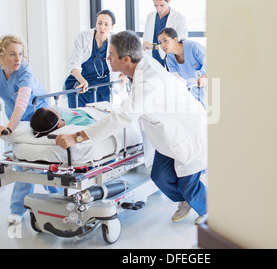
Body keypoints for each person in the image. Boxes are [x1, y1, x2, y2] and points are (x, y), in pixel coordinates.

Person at [55, 30, 208, 225]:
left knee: (189, 185)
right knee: (160, 177)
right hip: (168, 135)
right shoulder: (140, 65)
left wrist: (77, 137)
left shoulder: (149, 84)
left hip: (187, 133)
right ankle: (187, 200)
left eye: (110, 54)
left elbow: (121, 117)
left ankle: (208, 209)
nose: (107, 58)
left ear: (126, 58)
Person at [0, 35, 63, 223]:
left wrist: (9, 128)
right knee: (23, 163)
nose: (18, 59)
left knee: (44, 158)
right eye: (12, 54)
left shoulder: (24, 70)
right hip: (15, 115)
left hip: (38, 113)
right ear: (1, 56)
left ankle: (58, 199)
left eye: (21, 54)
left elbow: (22, 102)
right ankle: (17, 210)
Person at [64, 10, 127, 108]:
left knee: (102, 118)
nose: (102, 27)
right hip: (80, 85)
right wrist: (82, 80)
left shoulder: (116, 41)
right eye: (99, 23)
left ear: (112, 26)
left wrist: (123, 75)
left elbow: (124, 62)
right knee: (79, 119)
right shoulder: (83, 37)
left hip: (102, 87)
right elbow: (73, 65)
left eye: (106, 24)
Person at [158, 27, 207, 107]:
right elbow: (177, 78)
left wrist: (204, 76)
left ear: (174, 40)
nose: (162, 45)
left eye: (165, 41)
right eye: (160, 43)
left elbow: (209, 62)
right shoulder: (169, 58)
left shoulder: (192, 46)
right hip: (192, 90)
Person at [142, 0, 188, 68]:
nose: (158, 9)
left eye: (162, 5)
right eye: (155, 5)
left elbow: (179, 44)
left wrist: (154, 47)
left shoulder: (180, 19)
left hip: (170, 60)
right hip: (152, 60)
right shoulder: (150, 16)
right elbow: (146, 38)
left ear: (169, 1)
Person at [30, 106, 96, 138]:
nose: (54, 109)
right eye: (54, 110)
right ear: (58, 124)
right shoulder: (76, 126)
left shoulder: (60, 113)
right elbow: (96, 127)